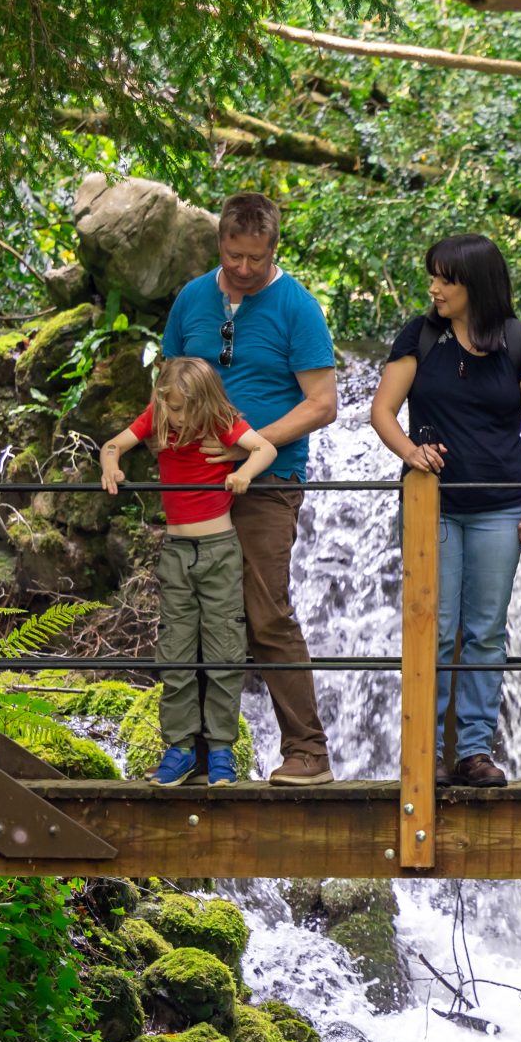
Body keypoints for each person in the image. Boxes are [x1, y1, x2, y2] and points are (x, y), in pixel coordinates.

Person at [160, 193, 338, 785]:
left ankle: (308, 753)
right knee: (198, 617)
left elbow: (322, 404)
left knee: (265, 613)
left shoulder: (298, 308)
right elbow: (168, 386)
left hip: (269, 483)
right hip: (196, 485)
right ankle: (205, 753)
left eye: (255, 259)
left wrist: (249, 445)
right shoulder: (191, 299)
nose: (243, 268)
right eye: (234, 255)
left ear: (273, 250)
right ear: (219, 245)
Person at [369, 233, 521, 788]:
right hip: (433, 508)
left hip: (501, 506)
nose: (434, 287)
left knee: (485, 630)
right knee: (436, 625)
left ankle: (473, 751)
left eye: (446, 278)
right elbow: (382, 410)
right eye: (433, 276)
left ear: (477, 284)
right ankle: (424, 749)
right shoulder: (421, 336)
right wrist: (411, 452)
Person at [99, 359, 278, 787]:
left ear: (204, 402)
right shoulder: (159, 417)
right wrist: (111, 464)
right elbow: (111, 445)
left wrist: (243, 472)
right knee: (175, 651)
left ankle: (220, 751)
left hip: (219, 551)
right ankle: (178, 749)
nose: (176, 418)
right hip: (177, 551)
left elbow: (265, 449)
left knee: (224, 649)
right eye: (171, 408)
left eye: (181, 410)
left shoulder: (220, 420)